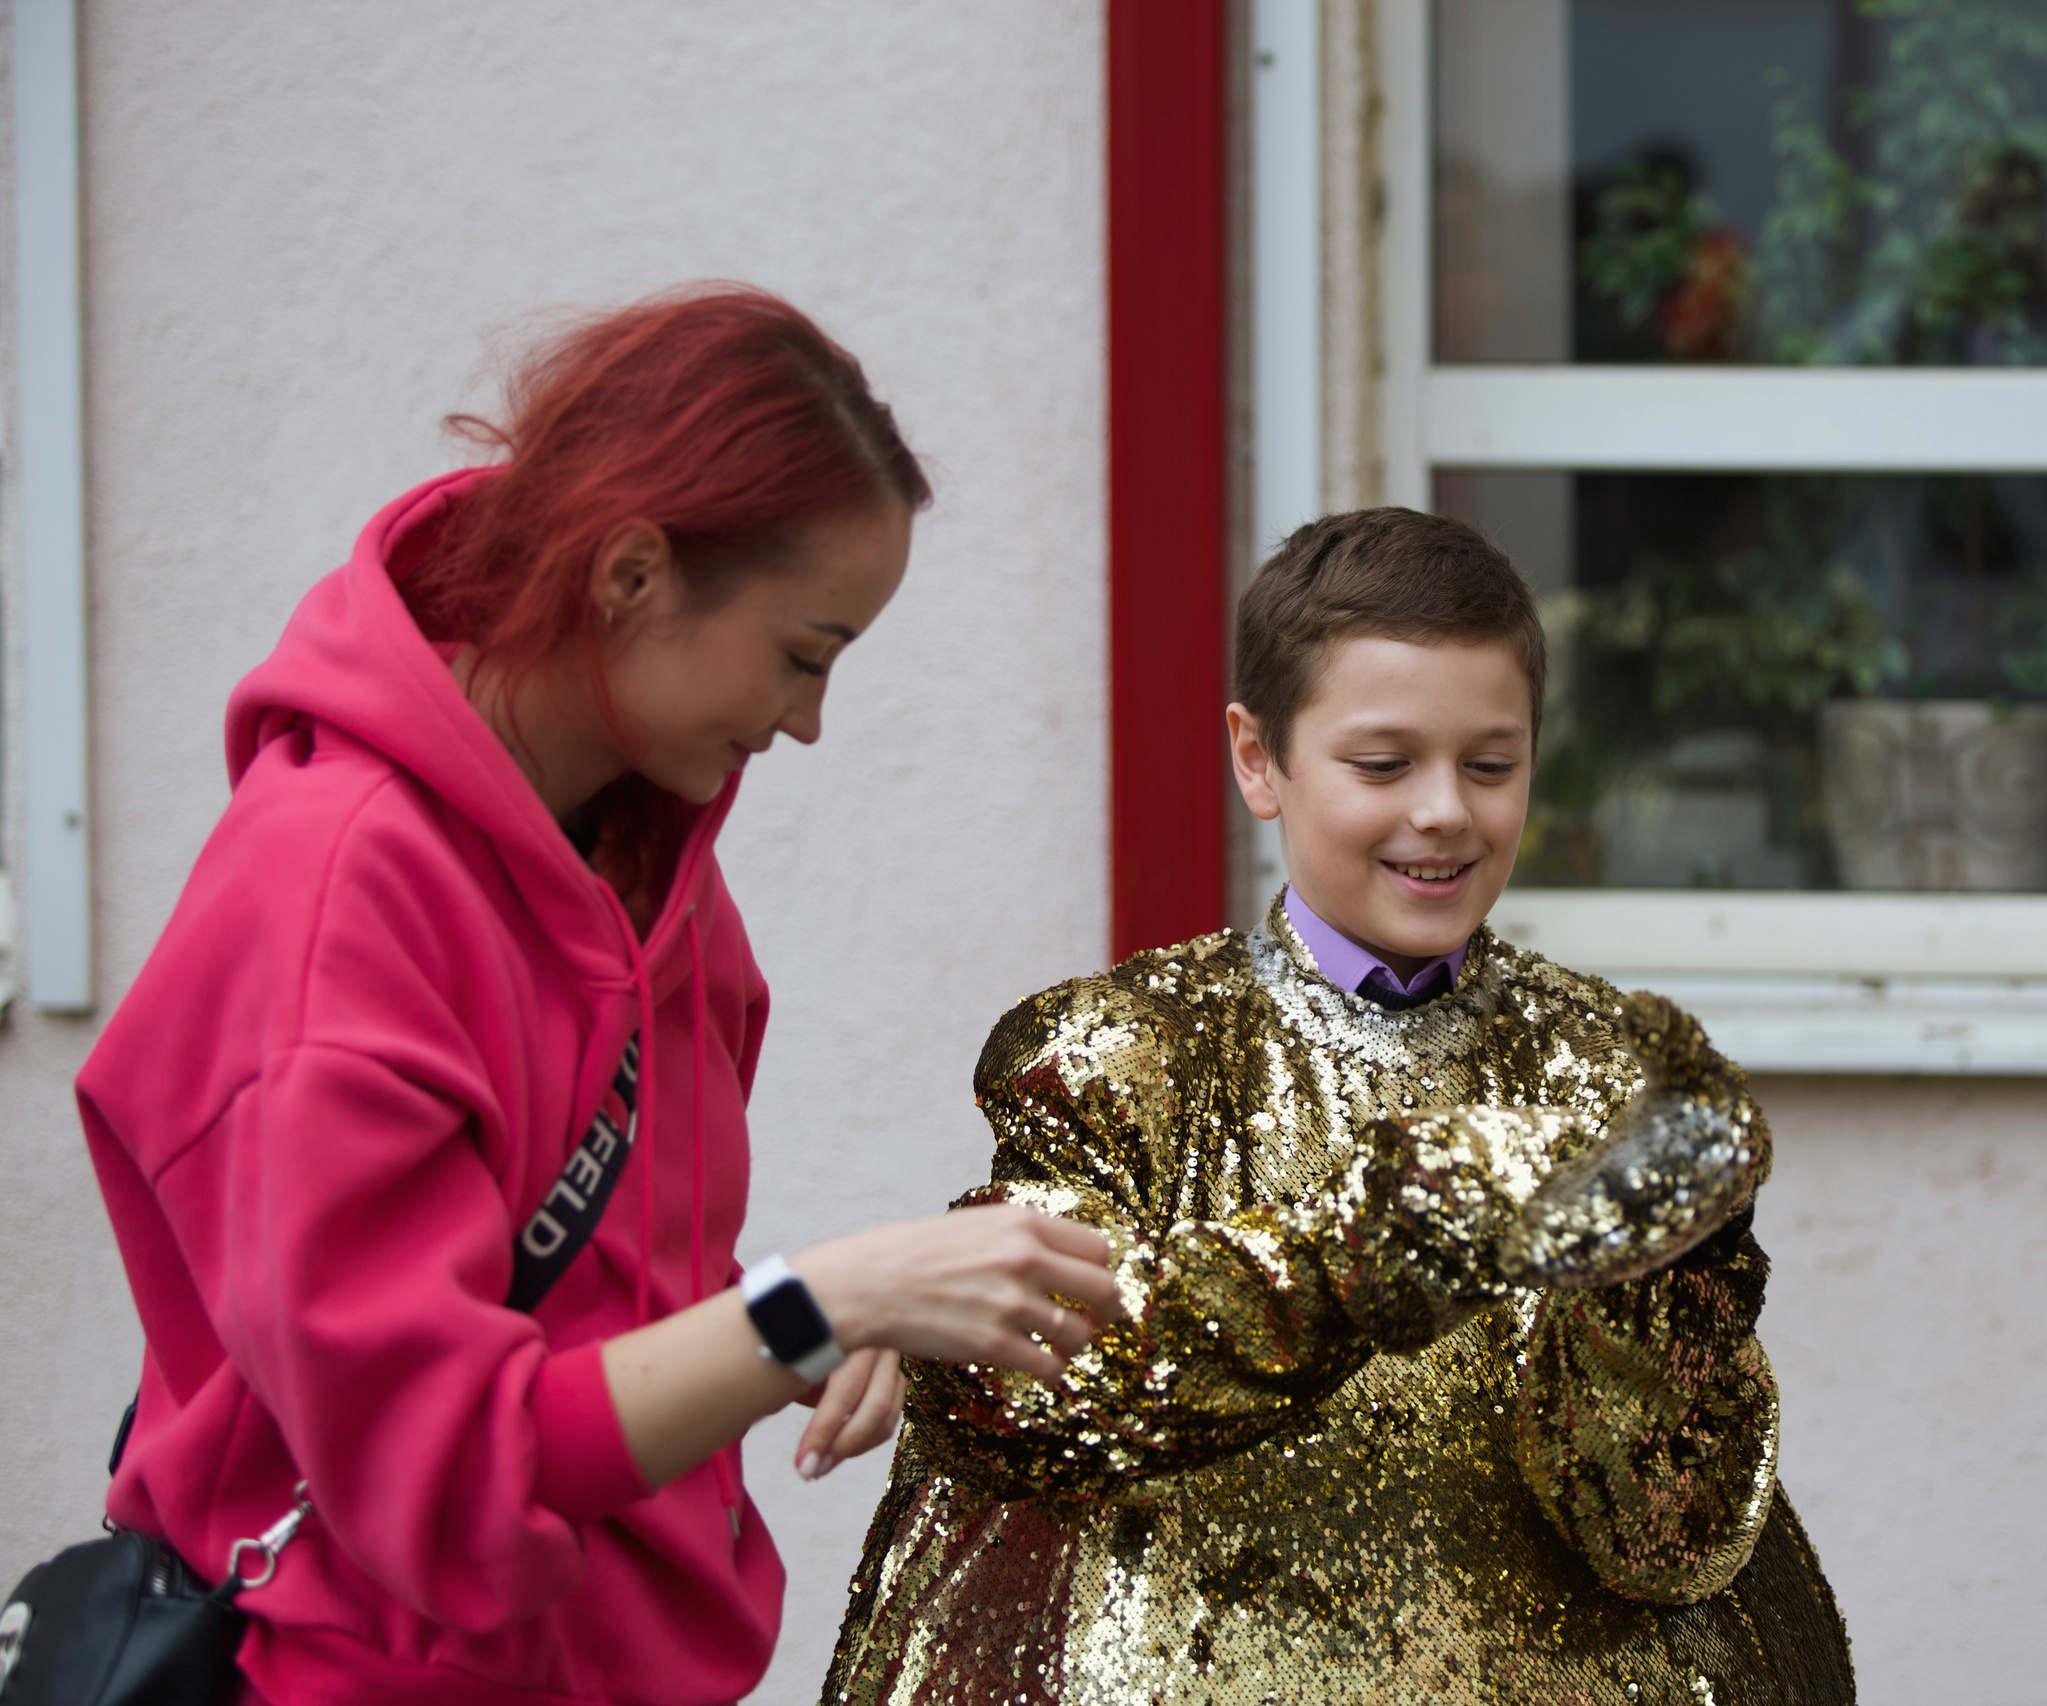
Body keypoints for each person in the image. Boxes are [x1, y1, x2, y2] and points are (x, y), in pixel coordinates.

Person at [77, 285, 1123, 1706]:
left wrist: (831, 1326)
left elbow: (604, 1339)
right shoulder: (332, 899)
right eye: (805, 651)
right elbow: (448, 1468)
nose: (809, 721)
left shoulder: (657, 877)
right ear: (631, 573)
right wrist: (817, 1302)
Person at [821, 508, 1855, 1704]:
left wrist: (1674, 1271)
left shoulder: (1607, 1069)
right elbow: (1035, 1384)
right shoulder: (1119, 1059)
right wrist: (1385, 1241)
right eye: (1382, 764)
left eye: (1490, 763)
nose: (1443, 813)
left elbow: (1675, 1521)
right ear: (1259, 758)